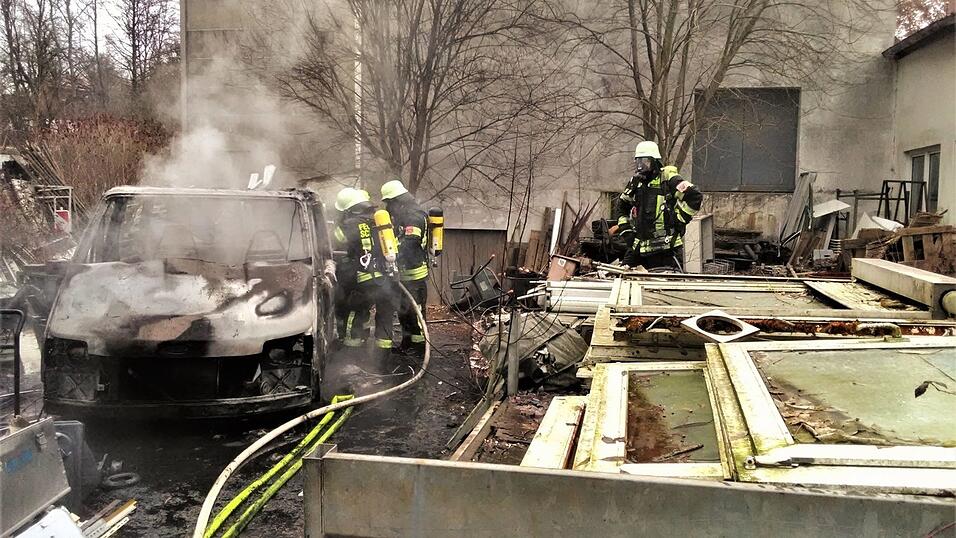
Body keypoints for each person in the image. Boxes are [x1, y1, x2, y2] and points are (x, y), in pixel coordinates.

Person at [611, 141, 703, 269]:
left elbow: (695, 196)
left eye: (645, 162)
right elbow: (622, 206)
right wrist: (626, 230)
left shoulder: (668, 179)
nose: (641, 166)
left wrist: (679, 219)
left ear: (655, 162)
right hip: (638, 246)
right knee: (622, 277)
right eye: (638, 162)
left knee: (662, 284)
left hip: (665, 248)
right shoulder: (636, 182)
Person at [332, 187, 396, 357]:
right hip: (385, 278)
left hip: (361, 279)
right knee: (384, 315)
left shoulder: (347, 225)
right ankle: (383, 355)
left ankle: (351, 351)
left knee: (355, 311)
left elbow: (334, 243)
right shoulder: (381, 221)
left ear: (349, 209)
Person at [380, 179, 429, 352]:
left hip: (414, 274)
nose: (388, 207)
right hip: (404, 273)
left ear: (396, 200)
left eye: (389, 203)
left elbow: (411, 242)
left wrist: (392, 256)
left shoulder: (414, 216)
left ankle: (420, 346)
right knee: (404, 311)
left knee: (415, 312)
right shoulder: (403, 215)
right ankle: (407, 342)